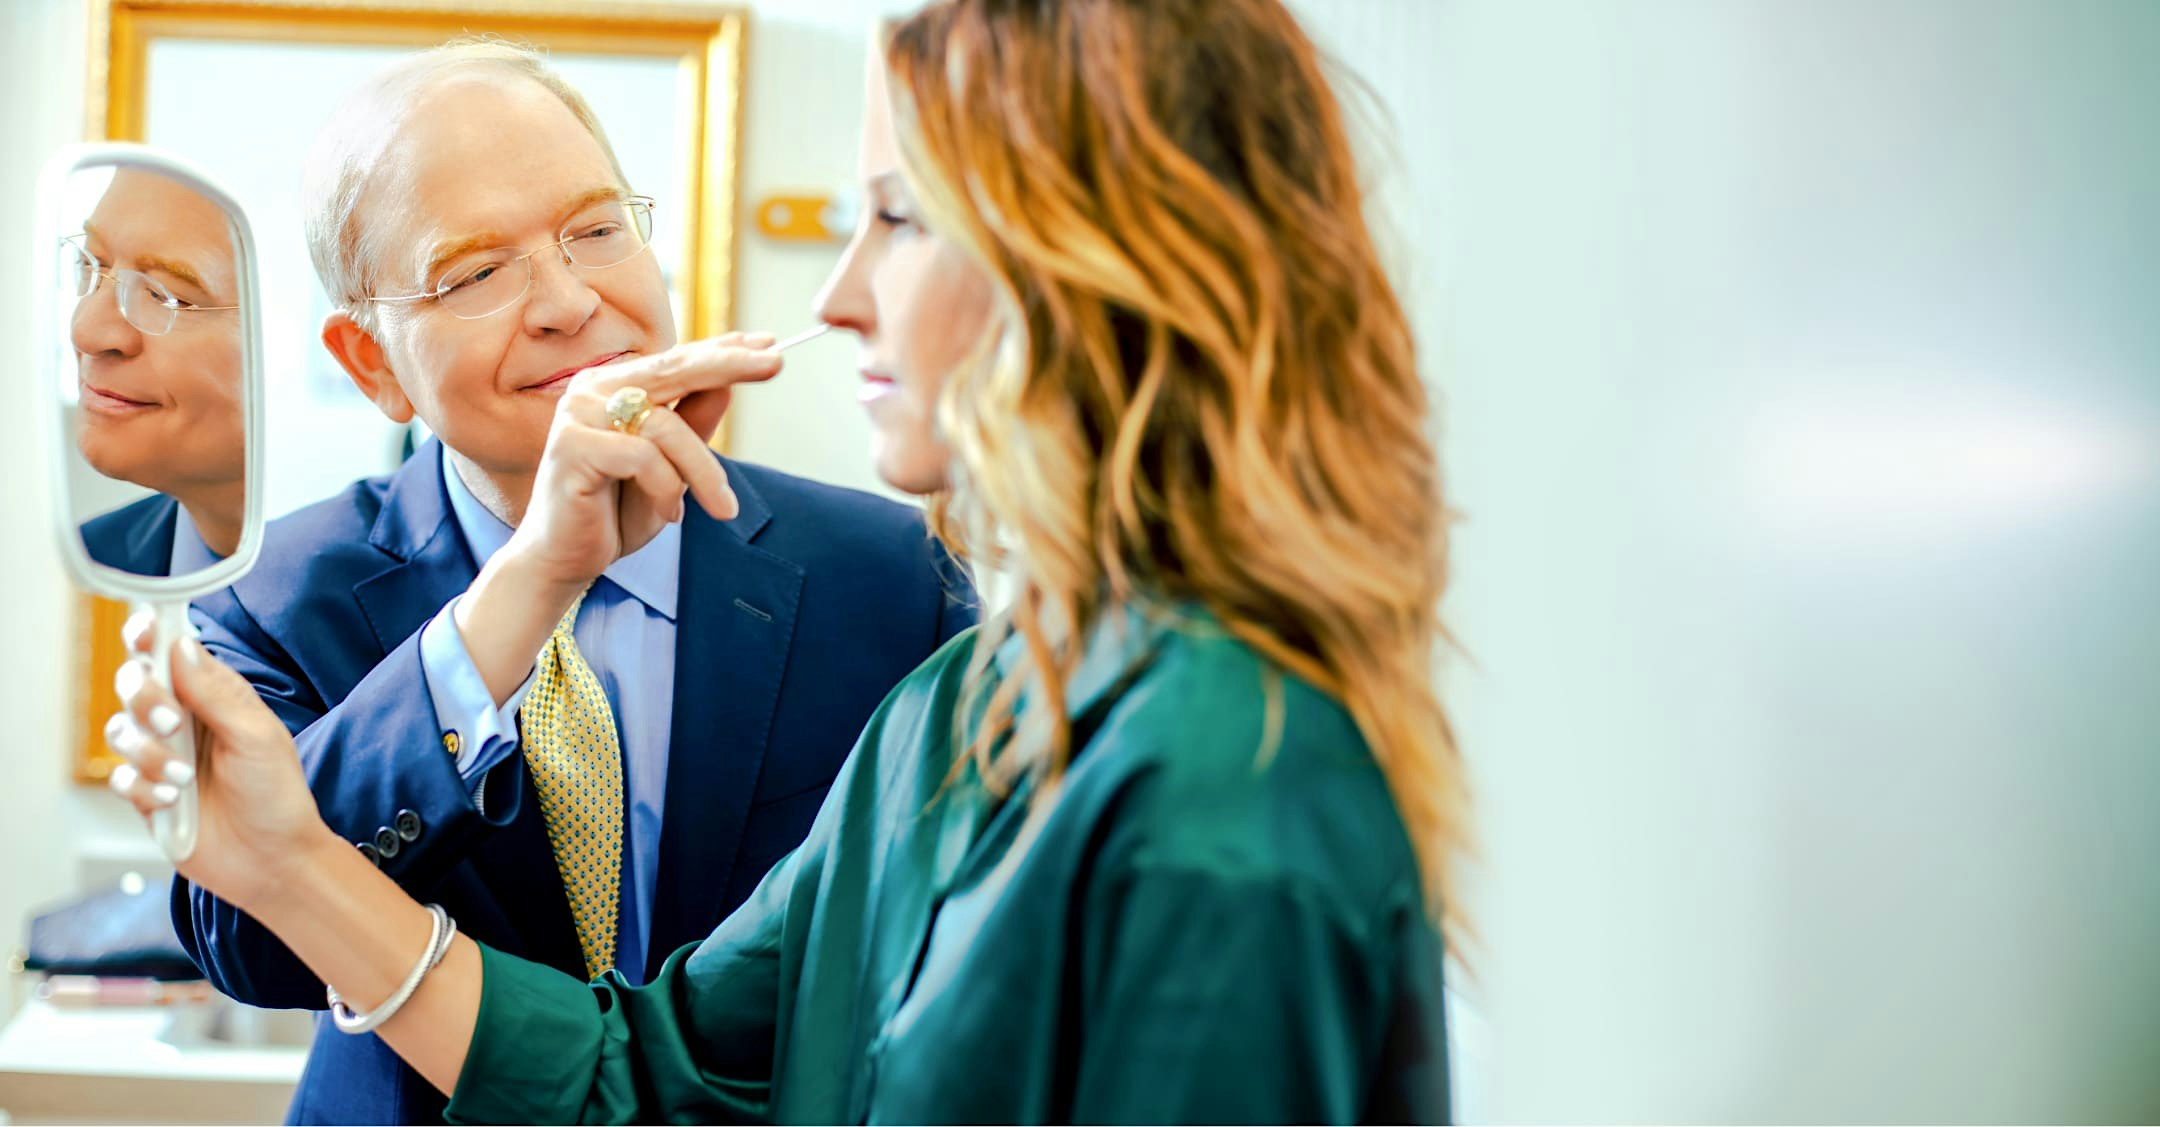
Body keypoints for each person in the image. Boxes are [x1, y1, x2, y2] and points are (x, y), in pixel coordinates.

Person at [108, 0, 1462, 1120]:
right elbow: (651, 1063)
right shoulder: (964, 709)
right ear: (366, 359)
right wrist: (300, 850)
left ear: (1096, 269)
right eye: (475, 273)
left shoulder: (1193, 776)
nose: (832, 293)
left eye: (900, 214)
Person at [150, 40, 975, 1126]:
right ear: (372, 365)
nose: (569, 302)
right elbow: (248, 934)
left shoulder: (884, 574)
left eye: (597, 230)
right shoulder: (274, 595)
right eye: (478, 272)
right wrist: (533, 579)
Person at [68, 168, 246, 576]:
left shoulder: (411, 619)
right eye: (91, 264)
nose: (87, 331)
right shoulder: (90, 558)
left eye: (167, 298)